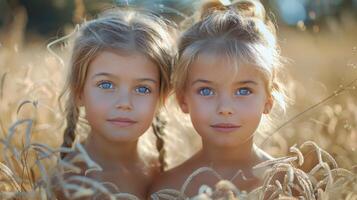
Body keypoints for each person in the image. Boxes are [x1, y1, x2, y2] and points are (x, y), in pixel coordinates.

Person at [150, 0, 287, 197]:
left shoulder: (289, 185)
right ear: (183, 100)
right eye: (206, 91)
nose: (225, 108)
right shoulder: (167, 190)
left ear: (268, 100)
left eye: (243, 91)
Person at [56, 8, 176, 199]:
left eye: (143, 89)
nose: (124, 103)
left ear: (162, 98)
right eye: (106, 84)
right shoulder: (67, 184)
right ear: (79, 92)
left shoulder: (167, 177)